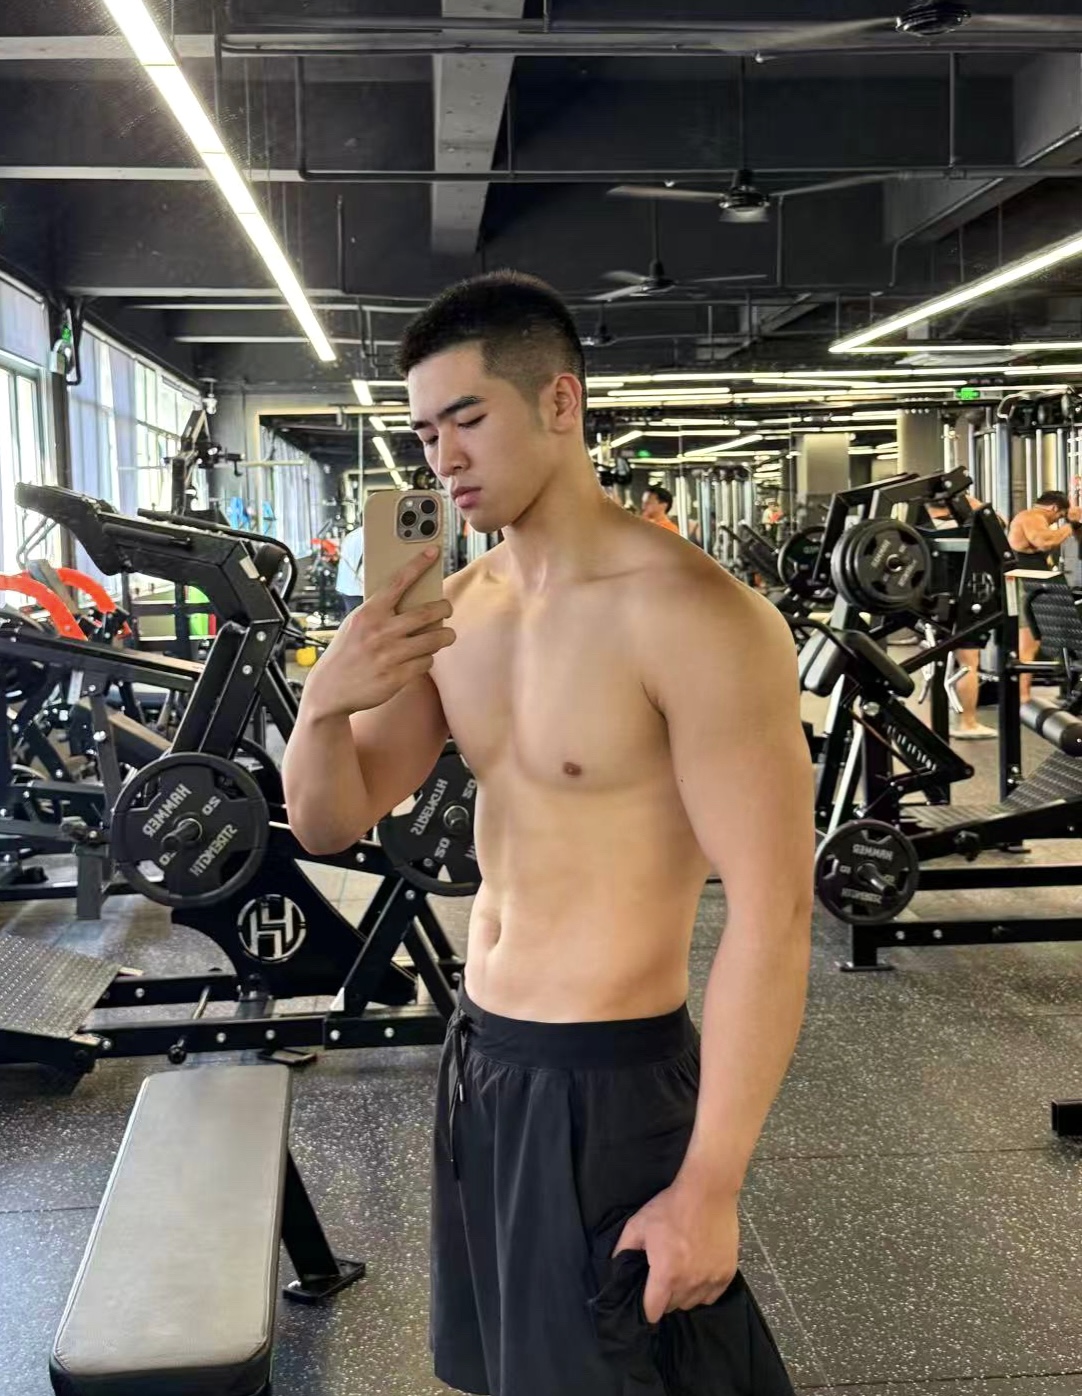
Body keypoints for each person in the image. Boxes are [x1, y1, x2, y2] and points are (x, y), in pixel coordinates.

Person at [282, 271, 812, 1396]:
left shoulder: (695, 615)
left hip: (608, 1081)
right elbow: (328, 819)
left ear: (560, 402)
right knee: (515, 1374)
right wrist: (324, 701)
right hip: (479, 1055)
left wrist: (711, 1185)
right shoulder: (454, 612)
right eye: (425, 435)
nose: (443, 460)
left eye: (467, 419)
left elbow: (774, 914)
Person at [924, 497, 997, 740]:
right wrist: (972, 501)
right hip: (963, 604)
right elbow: (998, 523)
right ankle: (968, 723)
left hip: (932, 605)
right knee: (968, 664)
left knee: (939, 662)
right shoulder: (966, 528)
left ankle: (937, 722)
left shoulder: (920, 528)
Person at [1007, 491, 1082, 703]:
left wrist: (1076, 524)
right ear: (1054, 508)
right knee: (1028, 645)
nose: (1057, 521)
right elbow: (1044, 542)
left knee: (1060, 636)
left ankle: (1068, 691)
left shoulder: (1036, 519)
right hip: (1027, 584)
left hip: (1040, 583)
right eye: (1059, 516)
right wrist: (1071, 524)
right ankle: (1022, 698)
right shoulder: (1031, 517)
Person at [334, 519, 364, 615]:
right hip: (360, 589)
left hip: (346, 586)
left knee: (351, 618)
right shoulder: (371, 535)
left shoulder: (351, 535)